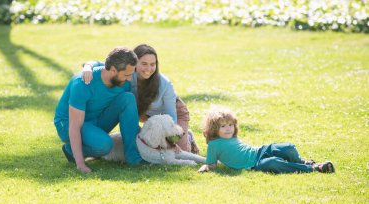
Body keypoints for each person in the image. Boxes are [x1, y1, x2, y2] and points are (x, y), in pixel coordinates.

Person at [81, 44, 199, 154]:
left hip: (173, 114)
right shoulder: (127, 73)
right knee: (144, 147)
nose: (148, 68)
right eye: (144, 63)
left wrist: (172, 141)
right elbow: (102, 64)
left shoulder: (165, 84)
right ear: (134, 63)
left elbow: (171, 117)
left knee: (178, 152)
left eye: (153, 64)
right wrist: (87, 67)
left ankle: (188, 137)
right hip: (144, 113)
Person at [54, 47, 144, 173]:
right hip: (69, 124)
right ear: (113, 70)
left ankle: (133, 157)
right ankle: (70, 151)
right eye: (127, 75)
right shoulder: (83, 83)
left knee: (128, 98)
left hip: (96, 120)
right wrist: (80, 164)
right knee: (105, 145)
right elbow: (75, 127)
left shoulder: (122, 81)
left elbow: (93, 62)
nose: (129, 79)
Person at [197, 108, 335, 174]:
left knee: (288, 148)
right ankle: (312, 168)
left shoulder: (232, 137)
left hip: (259, 150)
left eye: (230, 125)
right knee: (274, 163)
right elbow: (212, 164)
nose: (228, 129)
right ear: (214, 129)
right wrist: (206, 167)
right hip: (254, 164)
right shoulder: (214, 145)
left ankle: (303, 162)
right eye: (223, 126)